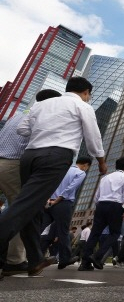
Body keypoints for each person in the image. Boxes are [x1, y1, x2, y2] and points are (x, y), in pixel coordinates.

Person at [0, 89, 62, 278]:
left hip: (2, 161)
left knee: (17, 211)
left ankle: (20, 260)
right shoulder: (42, 117)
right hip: (14, 165)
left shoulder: (18, 115)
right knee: (21, 213)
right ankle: (14, 261)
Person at [79, 157, 124, 271]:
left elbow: (96, 196)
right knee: (115, 233)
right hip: (115, 206)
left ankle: (84, 263)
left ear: (116, 166)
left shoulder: (105, 177)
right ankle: (97, 256)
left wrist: (99, 207)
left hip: (101, 205)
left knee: (94, 234)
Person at [42, 156, 91, 269]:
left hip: (49, 202)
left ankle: (36, 256)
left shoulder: (64, 169)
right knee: (63, 231)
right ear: (86, 165)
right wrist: (58, 199)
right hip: (63, 203)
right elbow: (70, 188)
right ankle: (65, 258)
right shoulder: (80, 173)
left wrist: (49, 200)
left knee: (45, 230)